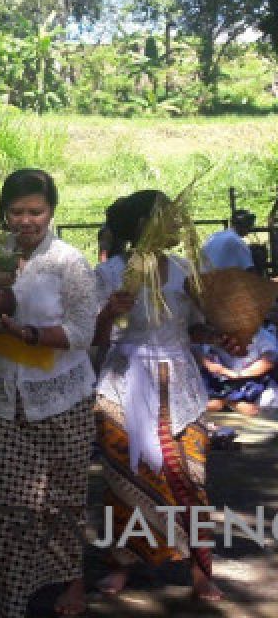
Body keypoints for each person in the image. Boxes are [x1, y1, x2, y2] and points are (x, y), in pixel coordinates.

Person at [0, 169, 99, 618]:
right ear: (4, 213)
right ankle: (12, 600)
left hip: (61, 397)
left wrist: (31, 334)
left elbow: (83, 331)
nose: (25, 220)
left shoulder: (68, 261)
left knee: (65, 497)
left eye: (35, 211)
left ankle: (72, 584)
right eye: (17, 211)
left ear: (51, 212)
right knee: (12, 503)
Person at [92, 190, 224, 602]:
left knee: (190, 476)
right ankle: (121, 564)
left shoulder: (190, 269)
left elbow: (203, 328)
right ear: (143, 227)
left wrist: (220, 324)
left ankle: (200, 569)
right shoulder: (111, 273)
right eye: (168, 217)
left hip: (179, 380)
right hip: (123, 380)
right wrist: (110, 313)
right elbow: (93, 340)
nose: (177, 224)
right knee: (125, 478)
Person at [198, 324, 278, 416]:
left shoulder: (264, 338)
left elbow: (268, 361)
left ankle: (230, 403)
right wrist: (209, 364)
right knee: (210, 402)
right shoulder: (217, 333)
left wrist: (236, 374)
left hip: (248, 381)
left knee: (267, 400)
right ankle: (230, 403)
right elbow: (200, 352)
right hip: (218, 379)